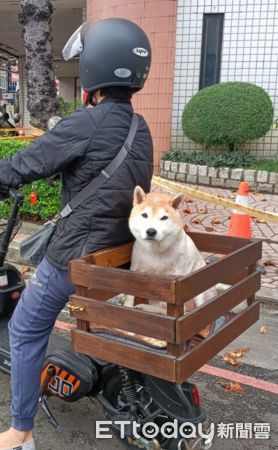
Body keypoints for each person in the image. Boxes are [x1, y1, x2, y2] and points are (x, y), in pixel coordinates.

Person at [0, 18, 153, 450]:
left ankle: (21, 432)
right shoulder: (139, 128)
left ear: (93, 69)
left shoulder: (86, 122)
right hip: (117, 252)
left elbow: (22, 165)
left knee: (26, 328)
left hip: (77, 256)